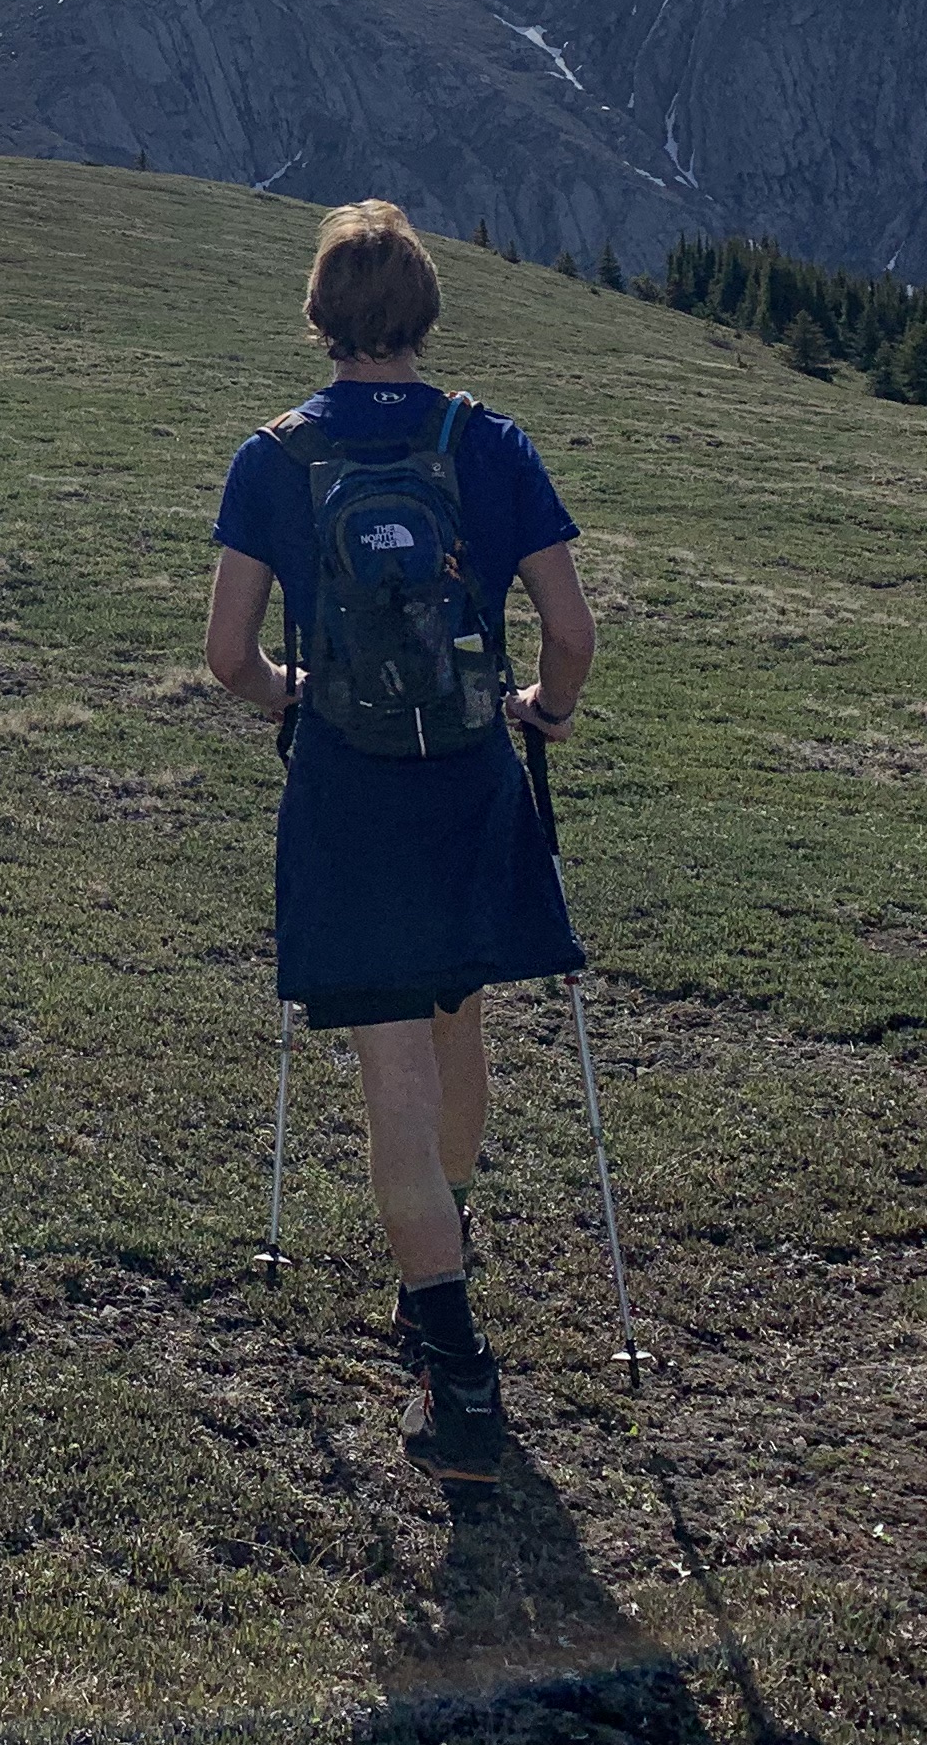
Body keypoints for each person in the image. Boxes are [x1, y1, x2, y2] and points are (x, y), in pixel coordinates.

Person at [200, 199, 596, 1495]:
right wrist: (540, 708)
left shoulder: (271, 459)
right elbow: (571, 631)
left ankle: (453, 1353)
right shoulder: (486, 441)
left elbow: (226, 660)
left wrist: (289, 700)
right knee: (456, 1027)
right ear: (423, 312)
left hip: (349, 794)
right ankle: (447, 1248)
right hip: (471, 777)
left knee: (392, 1086)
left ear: (321, 316)